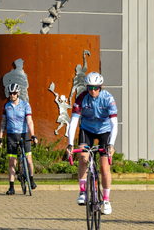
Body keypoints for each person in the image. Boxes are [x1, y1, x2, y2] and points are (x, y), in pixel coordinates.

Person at [66, 72, 118, 215]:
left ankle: (106, 200)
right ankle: (83, 192)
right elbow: (74, 122)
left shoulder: (108, 98)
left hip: (104, 131)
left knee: (104, 167)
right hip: (87, 129)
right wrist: (70, 144)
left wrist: (111, 144)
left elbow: (114, 124)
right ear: (87, 87)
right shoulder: (82, 98)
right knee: (83, 157)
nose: (93, 91)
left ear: (100, 87)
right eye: (90, 88)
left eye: (96, 88)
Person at [0, 82, 38, 195]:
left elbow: (29, 121)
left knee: (29, 159)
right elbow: (3, 123)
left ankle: (31, 179)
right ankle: (11, 187)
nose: (12, 95)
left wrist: (33, 135)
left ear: (18, 93)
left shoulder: (25, 105)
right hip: (11, 135)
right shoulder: (6, 106)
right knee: (12, 162)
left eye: (14, 93)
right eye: (11, 93)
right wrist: (0, 137)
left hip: (23, 134)